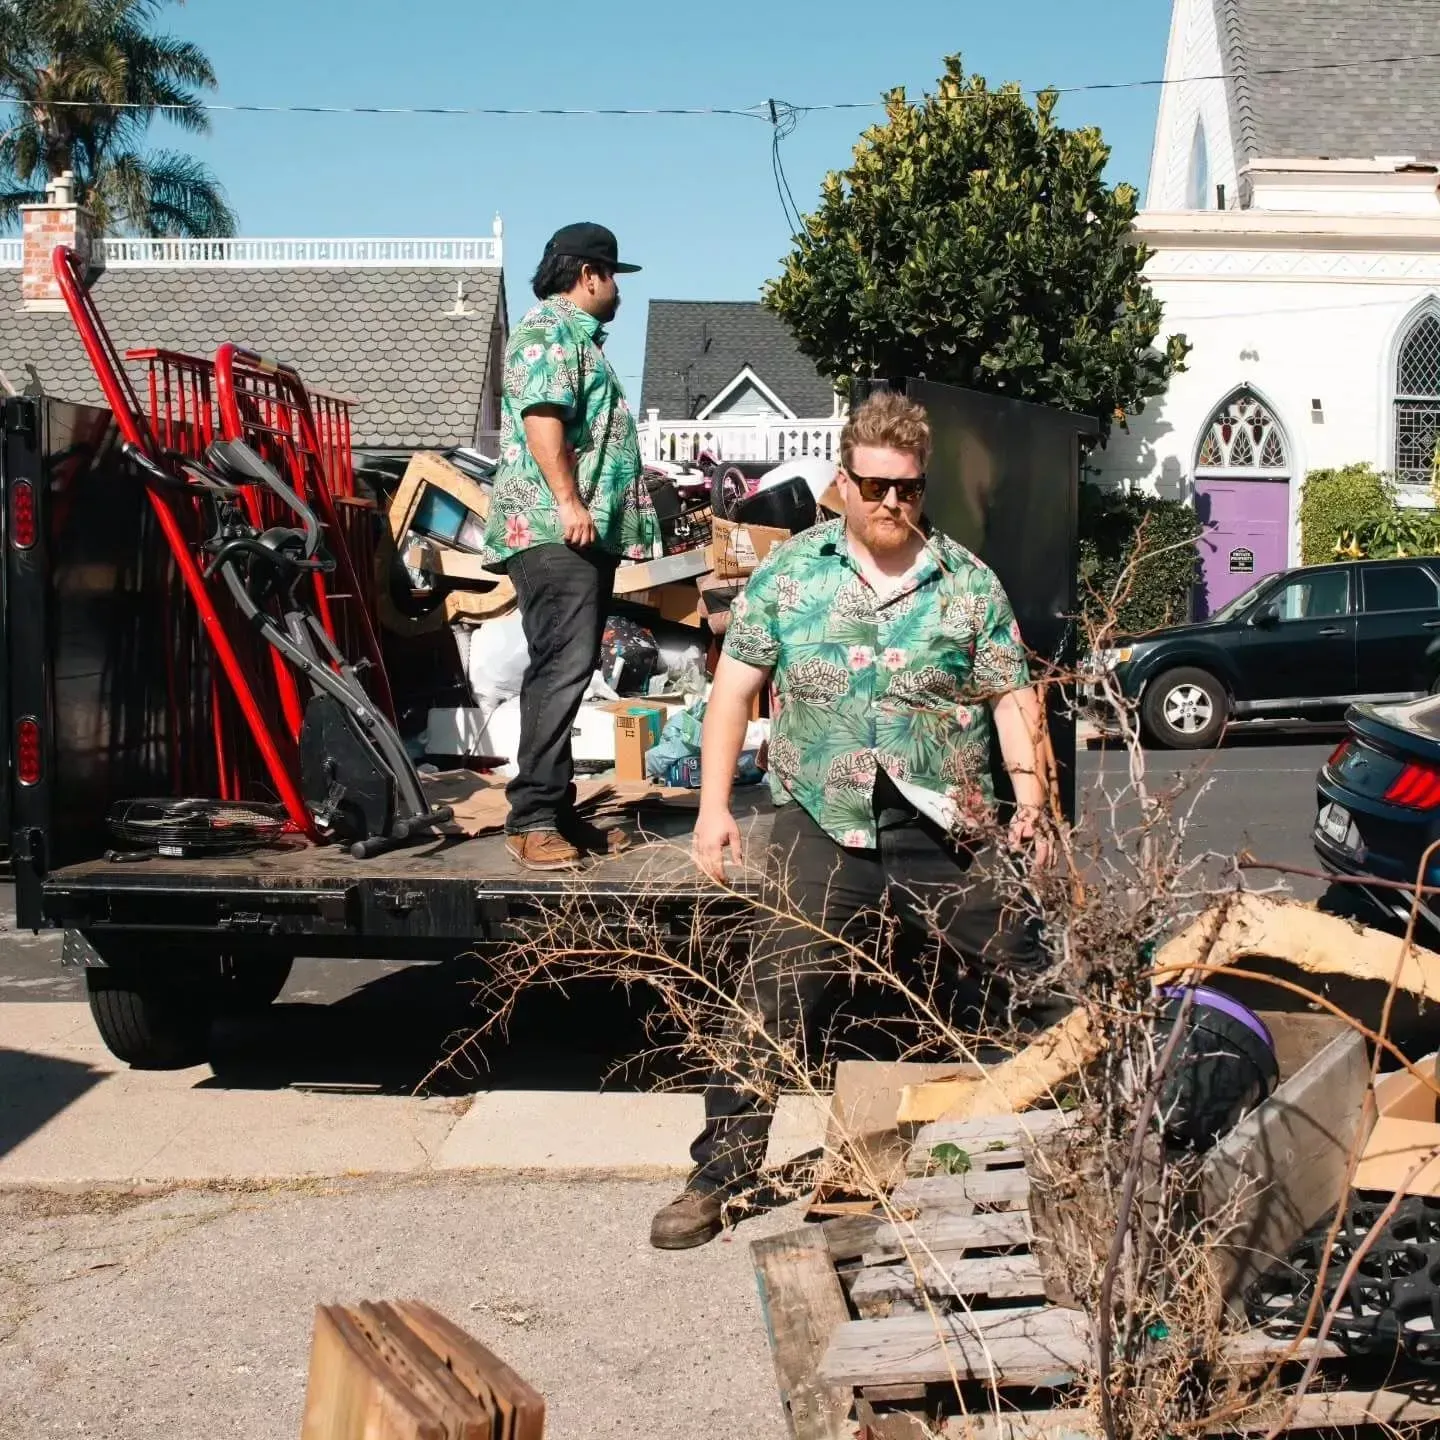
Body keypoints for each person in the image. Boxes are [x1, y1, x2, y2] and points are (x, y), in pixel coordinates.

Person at [649, 389, 1051, 1250]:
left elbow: (1014, 700)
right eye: (874, 486)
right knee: (769, 1001)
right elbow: (733, 694)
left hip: (943, 825)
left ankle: (1104, 1122)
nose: (890, 504)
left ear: (922, 484)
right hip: (822, 820)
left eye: (905, 488)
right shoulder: (793, 575)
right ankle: (718, 1172)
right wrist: (715, 808)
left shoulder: (967, 584)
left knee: (1034, 968)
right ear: (845, 480)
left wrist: (1034, 809)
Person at [480, 223, 660, 871]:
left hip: (576, 532)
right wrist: (569, 500)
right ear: (589, 274)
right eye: (613, 277)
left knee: (571, 665)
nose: (617, 291)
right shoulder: (549, 331)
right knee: (560, 665)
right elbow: (542, 417)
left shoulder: (574, 337)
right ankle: (530, 817)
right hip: (556, 531)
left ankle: (553, 810)